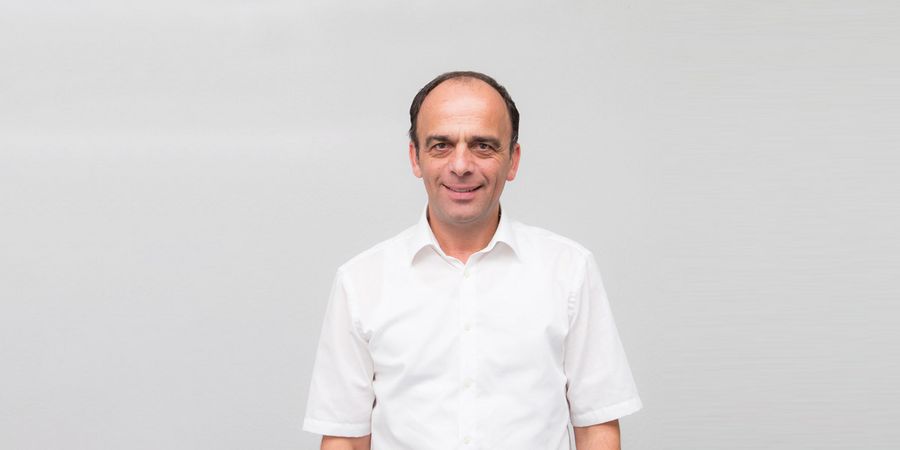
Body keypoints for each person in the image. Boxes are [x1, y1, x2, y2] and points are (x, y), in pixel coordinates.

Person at [302, 71, 643, 450]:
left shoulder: (569, 270)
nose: (461, 165)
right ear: (415, 157)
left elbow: (597, 426)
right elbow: (344, 439)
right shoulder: (360, 281)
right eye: (441, 145)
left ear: (512, 161)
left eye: (483, 146)